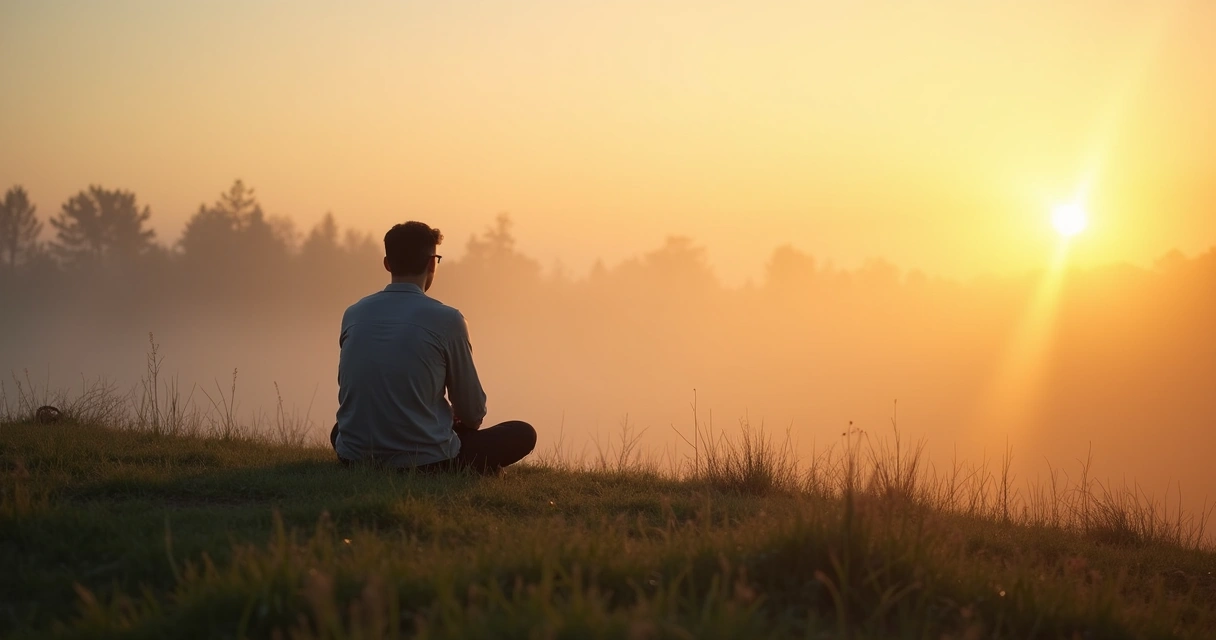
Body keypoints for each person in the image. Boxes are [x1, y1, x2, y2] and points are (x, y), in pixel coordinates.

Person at [330, 221, 536, 474]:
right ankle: (469, 468)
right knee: (522, 433)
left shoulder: (354, 313)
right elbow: (472, 412)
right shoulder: (448, 319)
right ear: (431, 263)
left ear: (387, 264)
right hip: (426, 461)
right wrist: (454, 418)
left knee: (338, 430)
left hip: (354, 455)